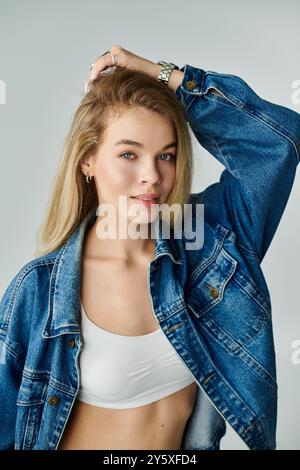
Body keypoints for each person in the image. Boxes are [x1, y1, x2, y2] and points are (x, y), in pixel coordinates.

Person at [0, 45, 299, 450]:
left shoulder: (210, 249)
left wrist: (166, 76)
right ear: (87, 160)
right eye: (128, 153)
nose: (152, 176)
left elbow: (275, 143)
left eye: (166, 155)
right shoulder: (37, 291)